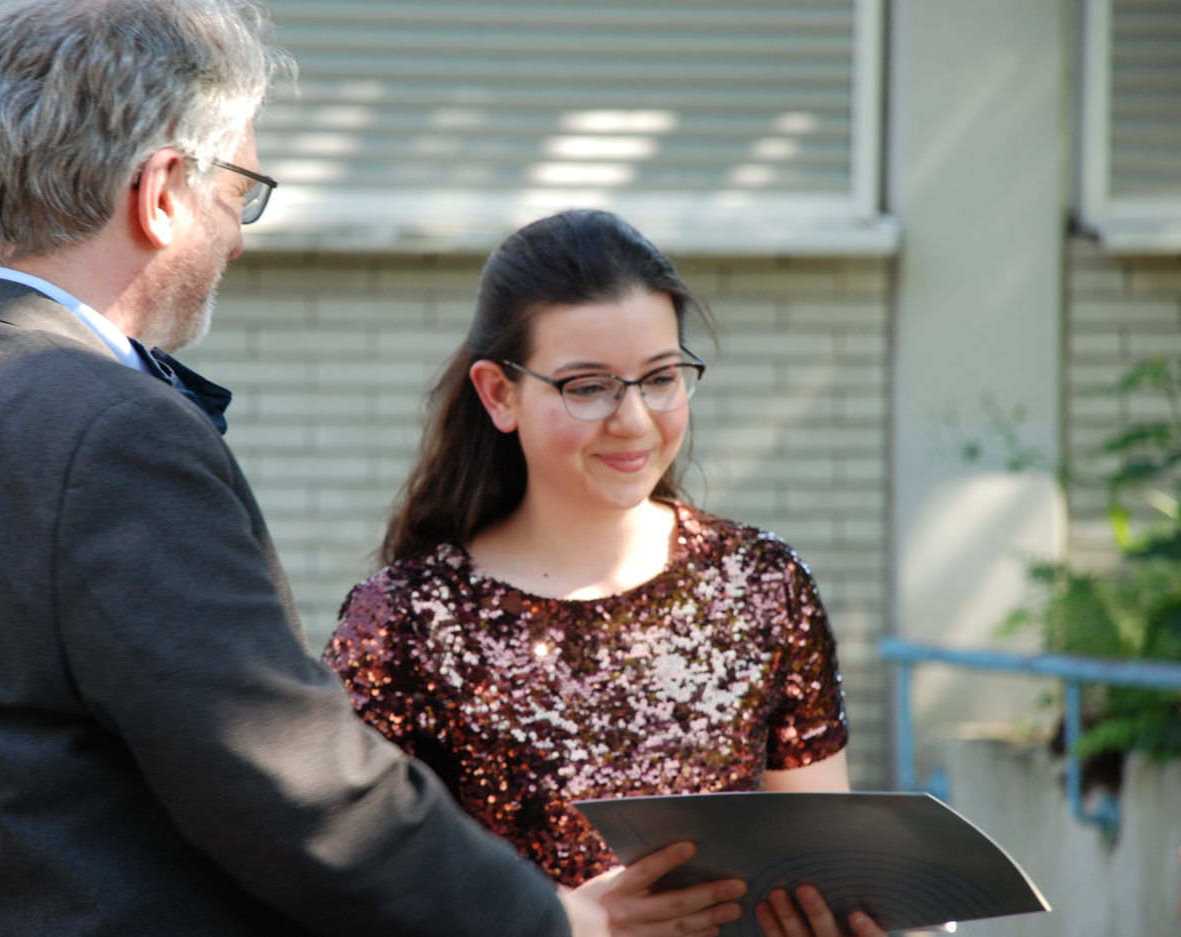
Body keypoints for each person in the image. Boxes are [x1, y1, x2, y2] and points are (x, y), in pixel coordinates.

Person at [0, 5, 733, 935]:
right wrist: (550, 918)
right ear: (162, 192)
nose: (239, 236)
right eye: (239, 192)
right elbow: (297, 783)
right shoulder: (110, 432)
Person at [326, 209, 887, 937]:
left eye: (660, 377)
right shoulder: (407, 620)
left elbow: (820, 865)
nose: (634, 420)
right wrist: (559, 923)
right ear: (498, 394)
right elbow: (350, 885)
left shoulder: (763, 585)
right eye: (588, 387)